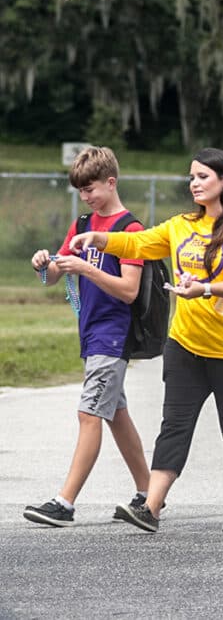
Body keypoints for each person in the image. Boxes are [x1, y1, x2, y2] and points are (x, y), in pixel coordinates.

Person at [69, 147, 223, 533]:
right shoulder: (182, 225)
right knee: (174, 426)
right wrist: (100, 238)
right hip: (184, 345)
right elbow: (140, 244)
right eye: (192, 177)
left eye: (203, 177)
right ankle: (151, 507)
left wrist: (208, 288)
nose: (194, 183)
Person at [22, 146, 151, 527]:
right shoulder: (80, 225)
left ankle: (64, 503)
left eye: (91, 188)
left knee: (89, 412)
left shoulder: (131, 230)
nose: (86, 197)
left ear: (111, 183)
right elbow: (55, 275)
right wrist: (44, 264)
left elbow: (129, 290)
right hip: (92, 333)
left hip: (114, 336)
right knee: (116, 415)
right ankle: (149, 494)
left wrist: (86, 268)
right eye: (80, 191)